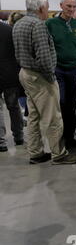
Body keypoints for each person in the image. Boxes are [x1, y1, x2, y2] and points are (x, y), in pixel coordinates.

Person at [13, 0, 76, 164]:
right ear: (41, 8)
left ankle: (36, 152)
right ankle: (59, 154)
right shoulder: (38, 25)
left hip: (25, 73)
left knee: (34, 117)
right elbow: (44, 57)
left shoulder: (19, 23)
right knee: (53, 117)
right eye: (47, 7)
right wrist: (51, 77)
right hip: (40, 77)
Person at [46, 0, 76, 149]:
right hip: (57, 70)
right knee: (61, 103)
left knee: (72, 105)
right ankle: (59, 140)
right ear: (61, 6)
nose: (71, 9)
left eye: (73, 6)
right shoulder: (50, 24)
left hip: (74, 71)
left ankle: (70, 138)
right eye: (68, 6)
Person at [0, 20, 24, 151]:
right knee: (14, 106)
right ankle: (19, 136)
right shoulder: (9, 29)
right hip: (10, 73)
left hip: (8, 73)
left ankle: (1, 142)